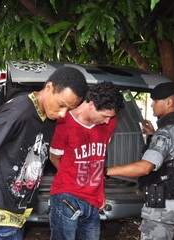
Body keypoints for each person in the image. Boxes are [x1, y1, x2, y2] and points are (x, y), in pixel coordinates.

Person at [0, 66, 88, 240]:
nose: (62, 114)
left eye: (69, 109)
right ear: (49, 87)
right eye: (61, 105)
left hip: (15, 213)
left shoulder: (48, 116)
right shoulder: (19, 111)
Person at [107, 82, 174, 240]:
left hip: (162, 210)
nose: (152, 105)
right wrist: (152, 135)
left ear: (169, 103)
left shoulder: (167, 132)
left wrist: (106, 170)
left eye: (156, 101)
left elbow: (145, 167)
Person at [48, 82, 124, 240]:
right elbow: (54, 157)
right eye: (104, 116)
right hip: (67, 197)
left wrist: (99, 191)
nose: (107, 122)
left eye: (111, 117)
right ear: (91, 104)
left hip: (93, 200)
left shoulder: (109, 122)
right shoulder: (65, 122)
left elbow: (98, 157)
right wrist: (73, 180)